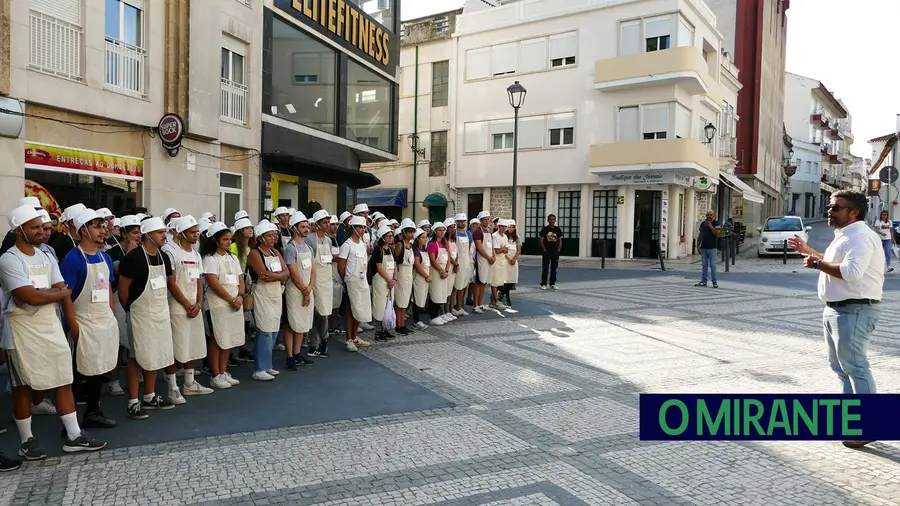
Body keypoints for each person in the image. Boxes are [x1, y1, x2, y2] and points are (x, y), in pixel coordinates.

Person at [0, 204, 106, 459]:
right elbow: (27, 296)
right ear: (19, 229)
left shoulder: (46, 254)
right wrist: (50, 294)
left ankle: (74, 435)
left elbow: (62, 289)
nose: (41, 231)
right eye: (35, 227)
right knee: (22, 385)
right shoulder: (9, 259)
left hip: (50, 325)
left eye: (42, 227)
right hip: (21, 329)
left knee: (63, 379)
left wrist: (44, 294)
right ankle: (27, 441)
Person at [788, 191, 884, 449]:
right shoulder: (846, 236)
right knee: (842, 369)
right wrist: (810, 252)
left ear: (854, 213)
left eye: (836, 208)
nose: (830, 211)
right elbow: (837, 264)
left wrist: (817, 265)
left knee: (856, 368)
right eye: (831, 207)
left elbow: (851, 273)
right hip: (837, 310)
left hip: (854, 309)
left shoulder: (861, 237)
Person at [60, 209, 119, 429]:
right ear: (83, 230)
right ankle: (70, 424)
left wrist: (111, 317)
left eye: (104, 226)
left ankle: (93, 411)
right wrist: (73, 326)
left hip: (103, 322)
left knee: (99, 369)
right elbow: (66, 295)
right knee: (78, 374)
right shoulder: (72, 258)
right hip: (82, 323)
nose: (103, 231)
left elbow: (109, 291)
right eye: (97, 226)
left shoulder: (105, 256)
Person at [118, 216, 177, 419]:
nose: (164, 236)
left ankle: (150, 396)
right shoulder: (133, 258)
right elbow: (123, 291)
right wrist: (132, 309)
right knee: (137, 356)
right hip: (140, 314)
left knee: (155, 354)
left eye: (164, 232)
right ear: (148, 235)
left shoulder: (164, 257)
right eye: (160, 232)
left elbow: (170, 283)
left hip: (160, 312)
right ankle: (133, 401)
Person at [163, 216, 214, 398]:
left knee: (192, 344)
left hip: (194, 307)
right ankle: (173, 388)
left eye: (197, 232)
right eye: (192, 232)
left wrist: (198, 304)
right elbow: (171, 282)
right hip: (177, 307)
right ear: (181, 233)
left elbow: (199, 282)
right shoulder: (171, 252)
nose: (196, 235)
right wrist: (186, 304)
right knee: (175, 347)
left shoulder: (195, 254)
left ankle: (190, 383)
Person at [201, 222, 246, 389]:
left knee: (229, 338)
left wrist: (240, 296)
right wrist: (230, 299)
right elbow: (213, 283)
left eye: (230, 239)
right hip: (218, 304)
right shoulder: (210, 259)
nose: (229, 242)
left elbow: (240, 279)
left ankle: (223, 370)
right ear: (216, 241)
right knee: (217, 338)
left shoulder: (232, 257)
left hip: (235, 302)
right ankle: (215, 374)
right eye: (225, 239)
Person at [247, 220, 289, 379]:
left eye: (274, 234)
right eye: (270, 235)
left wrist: (275, 276)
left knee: (273, 329)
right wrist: (278, 276)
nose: (273, 237)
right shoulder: (255, 253)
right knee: (264, 330)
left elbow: (286, 273)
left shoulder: (275, 253)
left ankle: (268, 364)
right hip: (263, 294)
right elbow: (263, 275)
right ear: (261, 238)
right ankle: (259, 368)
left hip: (276, 293)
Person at [338, 216, 373, 351]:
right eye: (360, 227)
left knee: (360, 309)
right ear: (353, 228)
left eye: (364, 227)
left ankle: (355, 337)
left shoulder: (362, 244)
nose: (363, 230)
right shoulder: (347, 245)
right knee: (351, 311)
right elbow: (341, 266)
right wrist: (346, 280)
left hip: (362, 280)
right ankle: (349, 339)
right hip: (351, 281)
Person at [308, 210, 335, 356]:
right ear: (317, 224)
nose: (327, 225)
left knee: (324, 313)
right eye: (324, 222)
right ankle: (316, 343)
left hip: (327, 280)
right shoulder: (310, 240)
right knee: (317, 312)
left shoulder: (329, 240)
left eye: (328, 222)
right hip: (316, 279)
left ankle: (322, 341)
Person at [369, 225, 397, 341]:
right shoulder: (378, 250)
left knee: (388, 305)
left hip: (390, 281)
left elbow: (395, 266)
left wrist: (394, 279)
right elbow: (379, 268)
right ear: (382, 237)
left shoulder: (392, 250)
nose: (390, 238)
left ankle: (385, 329)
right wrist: (389, 280)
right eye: (388, 236)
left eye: (391, 236)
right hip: (381, 281)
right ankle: (378, 331)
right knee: (379, 306)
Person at [393, 219, 416, 335]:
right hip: (401, 272)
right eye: (409, 231)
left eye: (412, 231)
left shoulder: (410, 245)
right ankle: (399, 324)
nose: (411, 234)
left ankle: (403, 323)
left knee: (405, 300)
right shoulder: (400, 244)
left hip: (409, 273)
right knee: (400, 300)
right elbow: (395, 261)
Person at [427, 222, 452, 325]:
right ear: (435, 232)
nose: (442, 232)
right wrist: (441, 271)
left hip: (444, 272)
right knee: (435, 294)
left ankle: (440, 314)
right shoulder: (432, 244)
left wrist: (446, 270)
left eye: (443, 230)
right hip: (436, 272)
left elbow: (448, 258)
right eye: (439, 230)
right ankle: (433, 316)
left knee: (442, 293)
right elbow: (433, 260)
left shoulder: (444, 244)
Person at [452, 214, 472, 317]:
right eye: (460, 221)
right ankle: (451, 308)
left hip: (466, 261)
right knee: (455, 286)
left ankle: (460, 307)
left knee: (463, 285)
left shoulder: (468, 234)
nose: (462, 223)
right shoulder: (454, 234)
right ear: (456, 222)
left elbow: (469, 248)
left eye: (464, 221)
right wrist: (455, 263)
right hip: (458, 261)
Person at [410, 229, 431, 331]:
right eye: (423, 237)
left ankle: (418, 320)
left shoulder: (425, 251)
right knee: (417, 299)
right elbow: (418, 265)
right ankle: (416, 320)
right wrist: (426, 275)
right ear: (417, 239)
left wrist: (429, 275)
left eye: (426, 237)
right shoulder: (416, 251)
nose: (425, 239)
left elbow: (429, 264)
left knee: (422, 298)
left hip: (426, 278)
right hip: (419, 278)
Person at [694, 211, 720, 288]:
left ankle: (714, 281)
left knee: (713, 265)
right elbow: (700, 235)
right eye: (708, 215)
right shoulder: (703, 224)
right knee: (704, 265)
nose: (709, 216)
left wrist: (711, 227)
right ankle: (704, 280)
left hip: (712, 248)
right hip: (704, 247)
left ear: (714, 216)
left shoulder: (716, 224)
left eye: (711, 215)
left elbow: (717, 234)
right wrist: (698, 246)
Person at [490, 219, 509, 310]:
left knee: (499, 281)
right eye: (502, 226)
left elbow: (506, 250)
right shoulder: (495, 236)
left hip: (502, 261)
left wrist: (503, 249)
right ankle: (495, 301)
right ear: (498, 226)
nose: (503, 228)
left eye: (505, 227)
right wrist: (503, 249)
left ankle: (494, 300)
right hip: (496, 261)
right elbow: (497, 250)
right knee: (495, 281)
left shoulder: (505, 236)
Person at [539, 214, 562, 290]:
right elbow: (541, 240)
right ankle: (543, 283)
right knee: (545, 268)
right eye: (550, 219)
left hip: (555, 251)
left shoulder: (557, 230)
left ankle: (552, 283)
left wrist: (558, 250)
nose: (552, 221)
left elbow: (559, 240)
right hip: (547, 251)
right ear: (548, 220)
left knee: (554, 268)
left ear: (555, 220)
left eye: (553, 219)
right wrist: (544, 250)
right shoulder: (544, 229)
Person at [503, 220, 521, 308]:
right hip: (505, 260)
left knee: (512, 280)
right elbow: (502, 249)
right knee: (505, 280)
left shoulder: (517, 237)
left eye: (513, 227)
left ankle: (501, 294)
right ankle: (507, 298)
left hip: (513, 261)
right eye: (509, 226)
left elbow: (519, 250)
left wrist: (514, 259)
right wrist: (508, 259)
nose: (511, 228)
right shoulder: (504, 236)